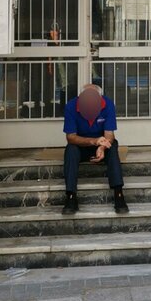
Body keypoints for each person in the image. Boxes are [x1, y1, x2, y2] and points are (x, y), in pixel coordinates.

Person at [62, 84, 129, 215]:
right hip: (81, 146)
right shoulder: (71, 106)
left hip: (101, 145)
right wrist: (93, 141)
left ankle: (119, 194)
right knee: (70, 150)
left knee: (113, 145)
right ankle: (71, 196)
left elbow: (109, 135)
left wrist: (102, 147)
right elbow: (71, 137)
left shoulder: (108, 104)